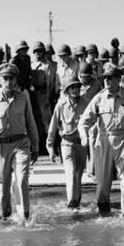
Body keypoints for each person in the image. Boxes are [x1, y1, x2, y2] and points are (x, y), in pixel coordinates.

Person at [0, 63, 39, 221]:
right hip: (0, 148)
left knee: (21, 179)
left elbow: (30, 123)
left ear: (15, 80)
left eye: (11, 78)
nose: (8, 81)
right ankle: (4, 218)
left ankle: (24, 217)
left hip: (21, 144)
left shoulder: (23, 98)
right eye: (5, 78)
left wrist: (36, 145)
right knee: (4, 189)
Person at [79, 63, 124, 217]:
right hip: (103, 140)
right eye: (105, 78)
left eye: (110, 78)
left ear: (118, 79)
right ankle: (103, 213)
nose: (107, 80)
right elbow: (84, 121)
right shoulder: (99, 98)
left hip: (122, 138)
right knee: (103, 183)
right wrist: (84, 137)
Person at [47, 76, 90, 208]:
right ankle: (71, 203)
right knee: (71, 173)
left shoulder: (87, 103)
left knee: (78, 175)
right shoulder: (60, 106)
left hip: (81, 145)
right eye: (72, 87)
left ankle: (76, 202)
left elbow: (93, 124)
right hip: (67, 144)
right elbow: (53, 128)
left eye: (78, 87)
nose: (76, 89)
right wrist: (50, 148)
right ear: (67, 90)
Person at [31, 41, 53, 150]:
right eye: (36, 51)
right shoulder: (32, 65)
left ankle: (49, 146)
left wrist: (48, 97)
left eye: (40, 51)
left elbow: (49, 82)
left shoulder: (47, 65)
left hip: (44, 95)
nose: (38, 53)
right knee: (35, 121)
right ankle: (37, 146)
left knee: (47, 121)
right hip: (35, 95)